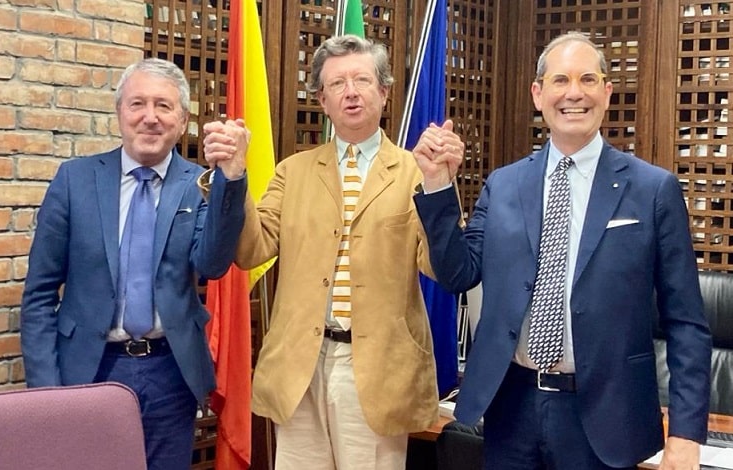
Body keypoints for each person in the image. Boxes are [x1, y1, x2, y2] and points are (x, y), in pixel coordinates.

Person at [413, 32, 712, 469]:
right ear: (538, 94)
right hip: (510, 409)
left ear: (607, 92)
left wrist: (685, 435)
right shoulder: (505, 184)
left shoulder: (652, 190)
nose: (574, 93)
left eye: (588, 79)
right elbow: (459, 273)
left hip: (605, 418)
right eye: (560, 80)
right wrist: (438, 184)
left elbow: (686, 322)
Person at [201, 34, 457, 470]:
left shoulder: (416, 170)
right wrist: (234, 177)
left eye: (362, 80)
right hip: (299, 366)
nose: (350, 92)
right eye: (337, 84)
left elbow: (441, 267)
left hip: (378, 370)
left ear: (384, 91)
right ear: (322, 99)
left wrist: (439, 186)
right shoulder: (293, 171)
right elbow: (251, 249)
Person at [21, 57, 247, 470]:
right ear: (119, 113)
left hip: (169, 373)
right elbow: (39, 294)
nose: (150, 117)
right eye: (138, 104)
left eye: (164, 106)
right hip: (88, 370)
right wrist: (46, 391)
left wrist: (230, 180)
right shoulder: (75, 180)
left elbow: (213, 264)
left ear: (183, 121)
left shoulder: (197, 184)